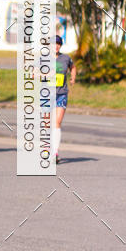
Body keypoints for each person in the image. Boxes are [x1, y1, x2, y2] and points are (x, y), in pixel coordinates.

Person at [54, 34, 76, 164]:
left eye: (58, 44)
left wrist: (73, 77)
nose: (55, 46)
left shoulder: (66, 58)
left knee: (57, 122)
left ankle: (55, 152)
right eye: (53, 44)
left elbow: (73, 67)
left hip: (61, 93)